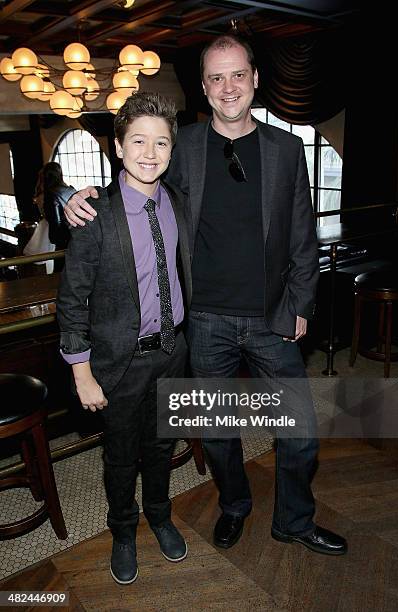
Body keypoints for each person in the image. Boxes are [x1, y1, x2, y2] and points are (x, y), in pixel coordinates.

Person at [63, 35, 347, 556]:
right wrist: (71, 195)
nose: (228, 87)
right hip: (205, 321)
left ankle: (294, 520)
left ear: (256, 78)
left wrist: (300, 303)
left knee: (300, 432)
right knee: (217, 433)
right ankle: (235, 506)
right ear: (204, 87)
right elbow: (134, 178)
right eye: (216, 78)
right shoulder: (183, 145)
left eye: (237, 74)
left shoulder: (286, 149)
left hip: (272, 318)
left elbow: (303, 234)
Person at [57, 92, 191, 585]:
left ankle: (159, 514)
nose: (149, 153)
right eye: (138, 140)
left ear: (171, 151)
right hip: (119, 363)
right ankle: (124, 531)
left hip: (173, 352)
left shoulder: (179, 202)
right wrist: (82, 372)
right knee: (121, 455)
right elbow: (72, 301)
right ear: (118, 146)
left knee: (161, 447)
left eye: (160, 143)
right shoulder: (95, 215)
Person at [36, 162, 75, 251]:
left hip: (63, 239)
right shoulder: (71, 189)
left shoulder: (50, 195)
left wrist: (54, 239)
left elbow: (55, 222)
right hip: (77, 234)